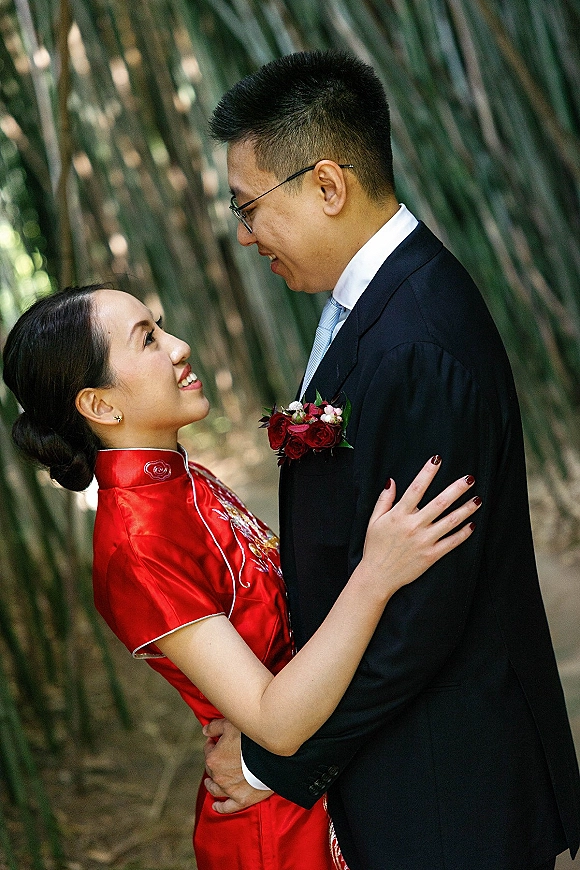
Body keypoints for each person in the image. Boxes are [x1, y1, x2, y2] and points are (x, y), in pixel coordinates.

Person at [204, 50, 580, 869]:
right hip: (414, 767)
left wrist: (277, 756)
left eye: (249, 206)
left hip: (451, 787)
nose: (244, 233)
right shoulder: (367, 303)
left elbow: (425, 615)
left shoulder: (418, 340)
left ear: (328, 185)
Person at [2, 284, 481, 870]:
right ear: (101, 406)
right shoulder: (136, 544)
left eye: (162, 325)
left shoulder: (181, 478)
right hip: (279, 830)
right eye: (148, 340)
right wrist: (377, 574)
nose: (179, 347)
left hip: (318, 780)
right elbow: (275, 721)